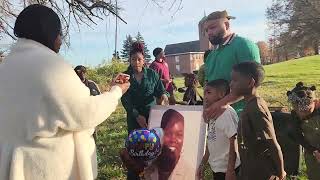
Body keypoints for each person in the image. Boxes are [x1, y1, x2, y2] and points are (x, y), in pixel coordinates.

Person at [0, 4, 130, 180]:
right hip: (48, 169)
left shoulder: (6, 67)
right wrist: (116, 92)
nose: (61, 40)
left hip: (16, 167)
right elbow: (84, 113)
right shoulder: (49, 65)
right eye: (60, 33)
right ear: (48, 32)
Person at [230, 62, 286, 180]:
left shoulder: (256, 108)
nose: (231, 84)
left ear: (250, 82)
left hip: (263, 173)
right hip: (250, 171)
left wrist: (281, 173)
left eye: (235, 80)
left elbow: (272, 143)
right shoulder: (249, 104)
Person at [121, 42, 168, 180]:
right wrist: (136, 115)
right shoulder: (124, 77)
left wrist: (164, 97)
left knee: (152, 146)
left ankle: (151, 176)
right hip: (134, 118)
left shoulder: (152, 74)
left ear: (144, 60)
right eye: (133, 59)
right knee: (135, 149)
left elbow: (161, 91)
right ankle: (135, 176)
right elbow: (124, 99)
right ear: (129, 60)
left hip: (151, 117)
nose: (136, 62)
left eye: (139, 59)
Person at [203, 10, 261, 120]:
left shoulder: (244, 45)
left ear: (226, 24)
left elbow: (252, 83)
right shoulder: (211, 56)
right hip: (216, 120)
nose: (209, 33)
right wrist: (207, 107)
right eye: (206, 30)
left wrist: (221, 104)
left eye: (212, 27)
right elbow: (208, 86)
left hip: (243, 118)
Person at [198, 79, 240, 180]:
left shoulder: (226, 113)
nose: (205, 96)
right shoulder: (214, 113)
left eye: (208, 92)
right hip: (217, 168)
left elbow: (234, 142)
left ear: (221, 94)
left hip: (227, 170)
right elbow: (211, 139)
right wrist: (203, 163)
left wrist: (230, 170)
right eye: (204, 93)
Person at [286, 82, 320, 180]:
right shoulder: (295, 115)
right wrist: (314, 151)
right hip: (312, 153)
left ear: (315, 102)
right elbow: (297, 135)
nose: (302, 115)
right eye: (298, 111)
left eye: (306, 111)